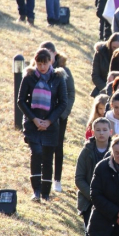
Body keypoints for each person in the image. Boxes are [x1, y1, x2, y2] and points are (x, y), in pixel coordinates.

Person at [17, 48, 67, 201]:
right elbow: (21, 101)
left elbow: (62, 102)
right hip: (33, 123)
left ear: (50, 62)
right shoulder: (29, 77)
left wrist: (49, 121)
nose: (42, 67)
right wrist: (34, 119)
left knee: (47, 157)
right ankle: (36, 190)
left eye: (45, 63)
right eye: (39, 64)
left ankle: (45, 193)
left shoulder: (58, 78)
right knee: (36, 153)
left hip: (50, 125)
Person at [74, 118, 112, 236]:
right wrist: (93, 196)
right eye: (98, 130)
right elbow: (79, 178)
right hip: (89, 202)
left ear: (110, 131)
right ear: (93, 131)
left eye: (105, 129)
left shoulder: (115, 150)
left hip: (110, 203)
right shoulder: (87, 151)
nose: (101, 133)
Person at [38, 41, 75, 193]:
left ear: (54, 53)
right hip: (42, 116)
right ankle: (41, 177)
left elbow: (71, 94)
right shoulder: (37, 71)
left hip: (59, 117)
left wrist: (62, 114)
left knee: (57, 146)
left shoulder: (64, 71)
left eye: (49, 53)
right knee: (41, 147)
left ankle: (57, 179)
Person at [91, 33, 119, 97]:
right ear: (109, 45)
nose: (116, 50)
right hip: (103, 89)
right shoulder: (100, 53)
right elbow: (95, 75)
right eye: (114, 47)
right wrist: (107, 89)